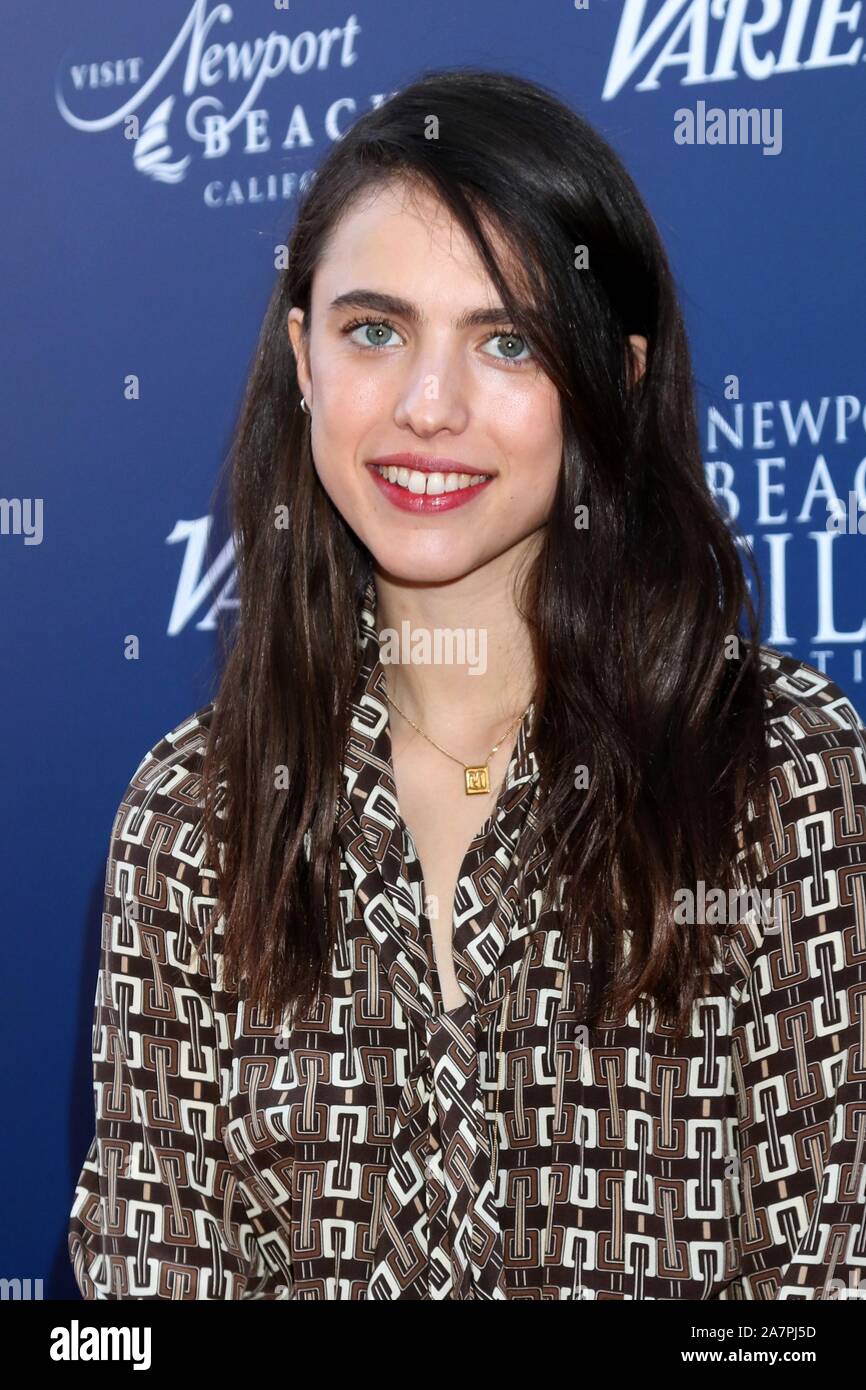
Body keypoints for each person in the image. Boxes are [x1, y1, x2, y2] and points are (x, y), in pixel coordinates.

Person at [69, 67, 866, 1301]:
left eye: (506, 340)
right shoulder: (192, 818)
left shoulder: (783, 775)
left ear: (619, 376)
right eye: (373, 330)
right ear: (301, 358)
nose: (426, 407)